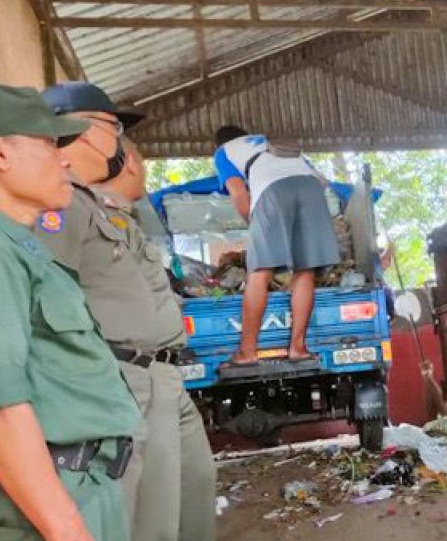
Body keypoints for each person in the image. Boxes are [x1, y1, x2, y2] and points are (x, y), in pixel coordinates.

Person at [0, 85, 140, 541]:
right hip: (30, 511)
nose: (65, 159)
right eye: (47, 144)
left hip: (71, 490)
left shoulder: (15, 249)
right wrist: (69, 531)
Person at [35, 82, 215, 541]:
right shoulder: (58, 208)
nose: (121, 146)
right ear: (85, 131)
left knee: (182, 505)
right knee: (148, 520)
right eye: (115, 128)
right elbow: (45, 304)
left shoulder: (97, 205)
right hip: (121, 377)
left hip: (158, 370)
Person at [211, 125, 339, 365]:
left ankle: (248, 352)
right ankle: (298, 348)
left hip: (272, 191)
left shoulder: (224, 151)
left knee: (260, 272)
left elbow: (238, 192)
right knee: (305, 270)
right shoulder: (268, 141)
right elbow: (323, 182)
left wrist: (255, 227)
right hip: (310, 188)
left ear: (218, 143)